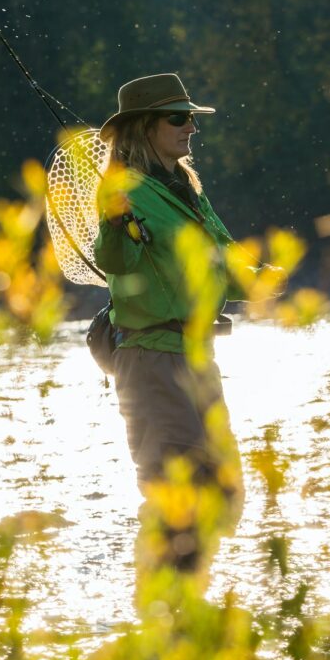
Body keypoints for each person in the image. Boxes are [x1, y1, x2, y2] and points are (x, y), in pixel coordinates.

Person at [94, 73, 250, 573]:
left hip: (196, 359)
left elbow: (223, 258)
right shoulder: (123, 193)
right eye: (178, 119)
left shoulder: (185, 189)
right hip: (152, 361)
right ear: (144, 127)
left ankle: (190, 616)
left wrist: (262, 279)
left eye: (191, 119)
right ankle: (162, 621)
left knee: (223, 494)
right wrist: (116, 222)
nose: (190, 129)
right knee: (175, 498)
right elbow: (114, 260)